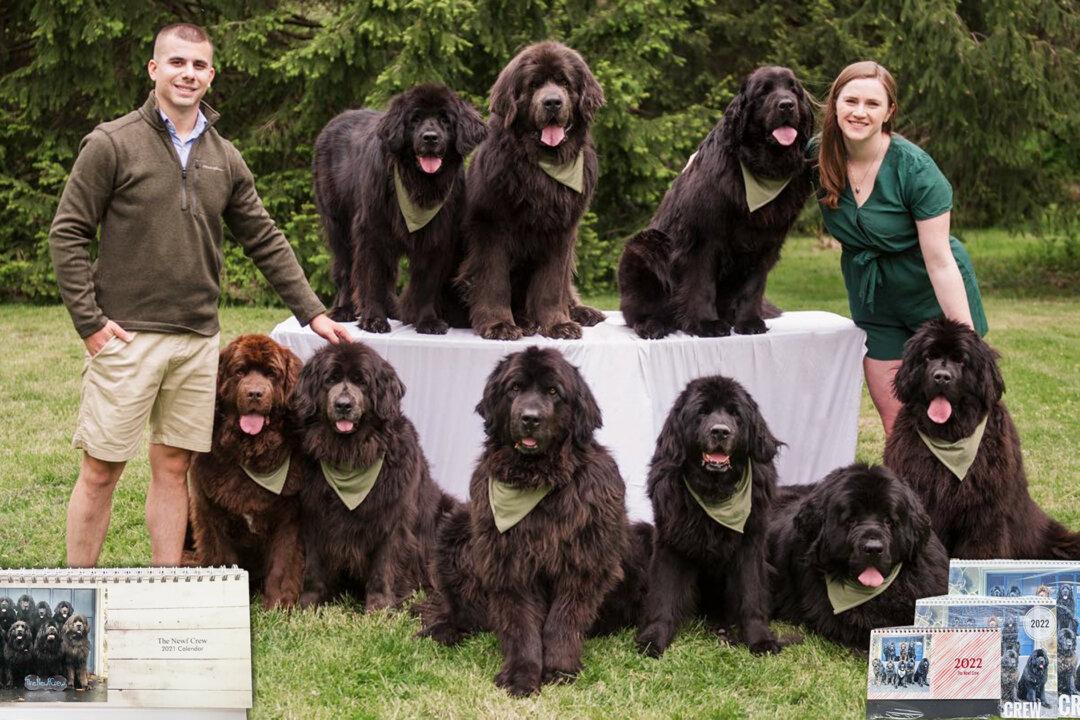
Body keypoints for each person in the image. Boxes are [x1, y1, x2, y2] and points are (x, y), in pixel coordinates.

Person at [48, 22, 351, 568]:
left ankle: (167, 585)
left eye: (198, 66)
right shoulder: (111, 143)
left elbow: (263, 235)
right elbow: (67, 232)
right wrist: (90, 324)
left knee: (173, 466)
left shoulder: (224, 157)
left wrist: (313, 312)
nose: (188, 74)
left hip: (197, 342)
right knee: (100, 469)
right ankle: (78, 590)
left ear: (211, 75)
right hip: (126, 336)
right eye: (177, 62)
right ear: (155, 69)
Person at [813, 61, 988, 436]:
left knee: (959, 418)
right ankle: (907, 494)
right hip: (874, 299)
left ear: (889, 111)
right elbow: (753, 156)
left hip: (930, 291)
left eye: (872, 104)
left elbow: (940, 262)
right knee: (898, 423)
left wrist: (967, 343)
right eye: (851, 100)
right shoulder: (818, 155)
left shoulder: (917, 171)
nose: (860, 112)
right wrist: (702, 157)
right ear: (835, 104)